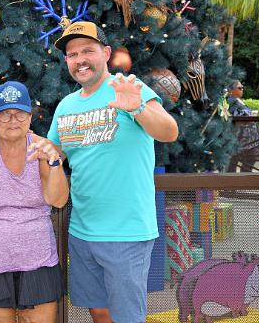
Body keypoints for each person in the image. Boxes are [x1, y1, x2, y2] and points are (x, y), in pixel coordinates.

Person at [47, 21, 179, 323]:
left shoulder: (128, 89)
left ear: (106, 53)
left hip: (126, 232)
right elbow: (52, 153)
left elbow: (169, 131)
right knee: (98, 310)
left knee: (127, 317)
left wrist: (137, 108)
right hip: (82, 231)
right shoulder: (66, 106)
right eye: (72, 54)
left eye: (87, 51)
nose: (80, 60)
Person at [0, 81, 69, 323]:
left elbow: (58, 200)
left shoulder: (42, 148)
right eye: (5, 114)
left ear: (30, 117)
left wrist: (54, 163)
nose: (13, 120)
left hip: (38, 256)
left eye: (20, 113)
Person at [227, 80, 259, 172]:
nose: (242, 89)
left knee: (246, 166)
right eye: (240, 88)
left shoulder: (239, 101)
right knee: (232, 167)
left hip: (250, 142)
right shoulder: (231, 101)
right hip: (241, 141)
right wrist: (249, 116)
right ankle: (232, 181)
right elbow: (233, 116)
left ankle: (242, 180)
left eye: (242, 88)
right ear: (231, 90)